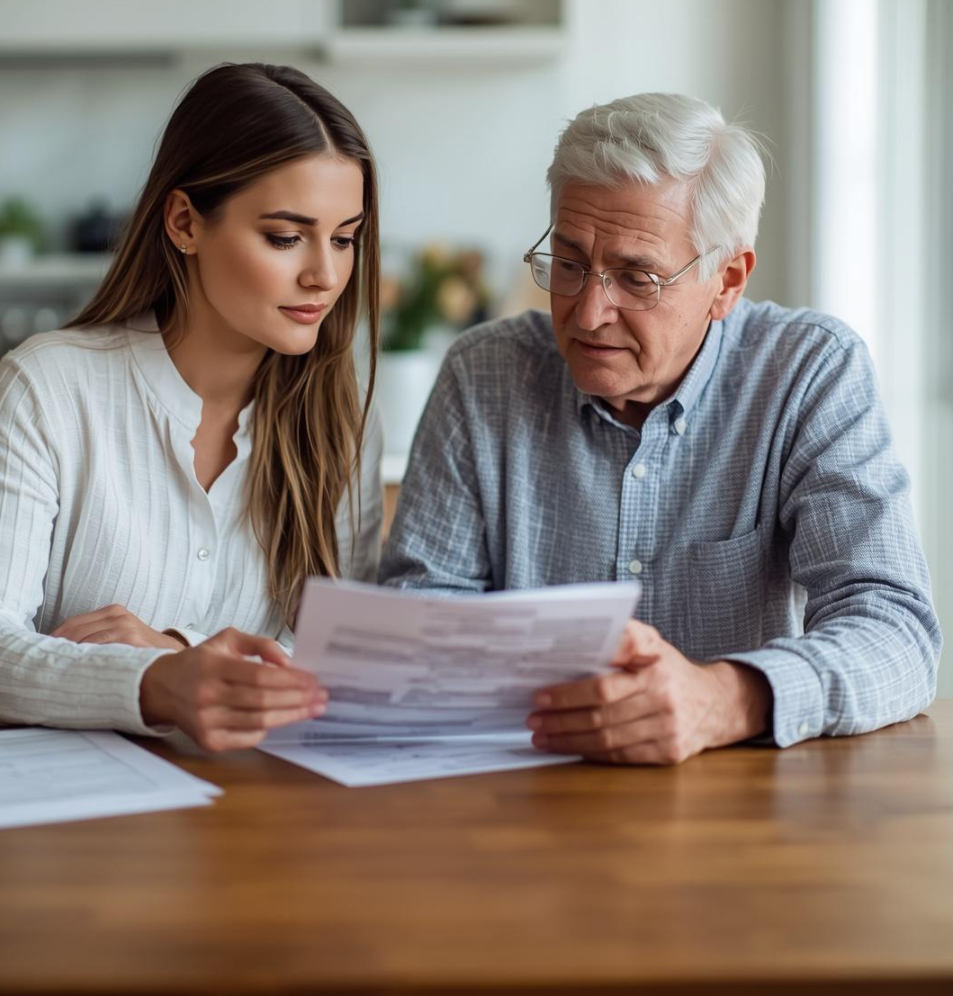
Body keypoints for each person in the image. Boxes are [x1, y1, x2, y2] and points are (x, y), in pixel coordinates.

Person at [380, 92, 941, 764]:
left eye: (636, 276)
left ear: (727, 280)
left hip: (743, 811)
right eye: (569, 262)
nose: (588, 314)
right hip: (522, 803)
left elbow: (896, 632)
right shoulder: (485, 375)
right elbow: (417, 627)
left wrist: (725, 698)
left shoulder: (808, 373)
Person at [0, 62, 384, 752]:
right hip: (69, 824)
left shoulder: (341, 420)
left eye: (344, 238)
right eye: (286, 237)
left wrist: (171, 649)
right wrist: (153, 681)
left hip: (261, 820)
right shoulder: (48, 387)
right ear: (184, 223)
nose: (325, 274)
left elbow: (343, 663)